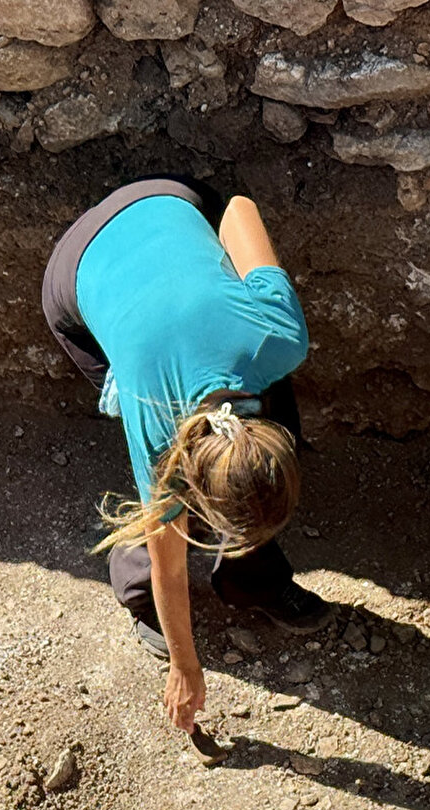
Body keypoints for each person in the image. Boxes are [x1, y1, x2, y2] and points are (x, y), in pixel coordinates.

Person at [42, 178, 333, 732]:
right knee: (164, 505)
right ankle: (134, 593)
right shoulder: (155, 422)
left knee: (280, 404)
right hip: (78, 266)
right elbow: (170, 563)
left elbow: (238, 207)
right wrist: (185, 665)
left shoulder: (280, 338)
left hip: (172, 200)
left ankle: (249, 578)